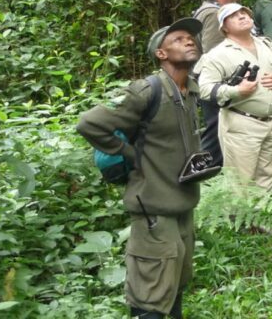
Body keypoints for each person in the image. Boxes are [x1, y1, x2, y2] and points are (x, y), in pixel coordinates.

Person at [76, 18, 204, 319]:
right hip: (153, 211)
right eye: (179, 39)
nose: (189, 41)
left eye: (191, 38)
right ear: (160, 54)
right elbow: (89, 123)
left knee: (174, 284)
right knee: (150, 297)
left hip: (184, 205)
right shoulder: (147, 90)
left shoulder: (191, 90)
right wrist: (131, 154)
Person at [198, 4, 272, 193]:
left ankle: (260, 219)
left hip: (271, 122)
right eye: (234, 16)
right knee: (240, 181)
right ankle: (241, 221)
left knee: (266, 175)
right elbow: (205, 89)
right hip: (241, 123)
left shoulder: (265, 44)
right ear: (224, 27)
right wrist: (237, 91)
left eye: (244, 13)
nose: (242, 17)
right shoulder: (217, 55)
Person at [193, 0, 245, 167]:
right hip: (217, 84)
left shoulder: (210, 10)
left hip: (215, 83)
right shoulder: (214, 14)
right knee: (217, 129)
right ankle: (203, 174)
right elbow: (214, 53)